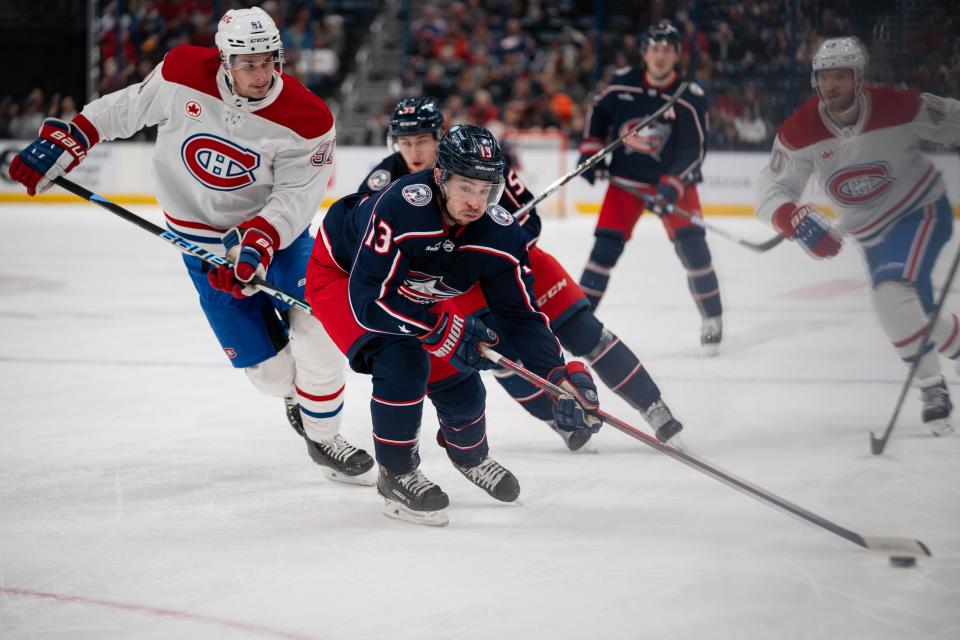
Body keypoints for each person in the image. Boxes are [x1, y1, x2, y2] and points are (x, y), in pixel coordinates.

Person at [8, 6, 375, 481]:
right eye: (248, 63)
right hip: (202, 245)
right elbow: (126, 107)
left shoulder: (308, 118)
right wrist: (71, 138)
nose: (262, 74)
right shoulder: (183, 71)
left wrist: (257, 242)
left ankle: (325, 438)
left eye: (270, 61)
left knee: (319, 330)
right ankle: (293, 393)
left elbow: (296, 197)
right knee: (270, 376)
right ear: (224, 60)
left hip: (278, 241)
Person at [306, 124, 603, 526]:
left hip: (410, 289)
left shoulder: (498, 232)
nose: (476, 202)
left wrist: (558, 372)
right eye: (466, 187)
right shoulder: (402, 208)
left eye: (486, 190)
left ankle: (470, 455)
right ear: (441, 176)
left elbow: (520, 315)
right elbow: (370, 299)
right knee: (402, 358)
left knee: (460, 380)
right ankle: (396, 473)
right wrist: (438, 330)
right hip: (344, 277)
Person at [358, 97, 684, 452]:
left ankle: (654, 407)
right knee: (501, 357)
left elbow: (530, 221)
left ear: (439, 137)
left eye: (422, 140)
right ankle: (557, 419)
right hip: (457, 288)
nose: (414, 151)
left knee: (584, 332)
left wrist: (497, 245)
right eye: (405, 142)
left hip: (516, 266)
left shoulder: (476, 158)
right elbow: (373, 257)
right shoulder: (383, 183)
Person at [756, 37, 960, 436]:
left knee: (890, 298)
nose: (831, 85)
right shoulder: (800, 130)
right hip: (870, 234)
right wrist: (794, 222)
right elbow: (770, 190)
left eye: (840, 76)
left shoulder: (896, 105)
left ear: (859, 78)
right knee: (910, 308)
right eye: (824, 77)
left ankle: (931, 387)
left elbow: (953, 117)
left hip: (920, 213)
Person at [577, 20, 724, 355]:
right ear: (644, 52)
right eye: (654, 48)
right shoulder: (620, 84)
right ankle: (579, 325)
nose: (660, 56)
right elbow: (597, 115)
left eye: (667, 50)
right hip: (626, 181)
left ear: (677, 55)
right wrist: (591, 152)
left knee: (695, 253)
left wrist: (671, 186)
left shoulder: (690, 94)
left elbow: (694, 149)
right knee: (603, 252)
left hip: (673, 184)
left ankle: (712, 318)